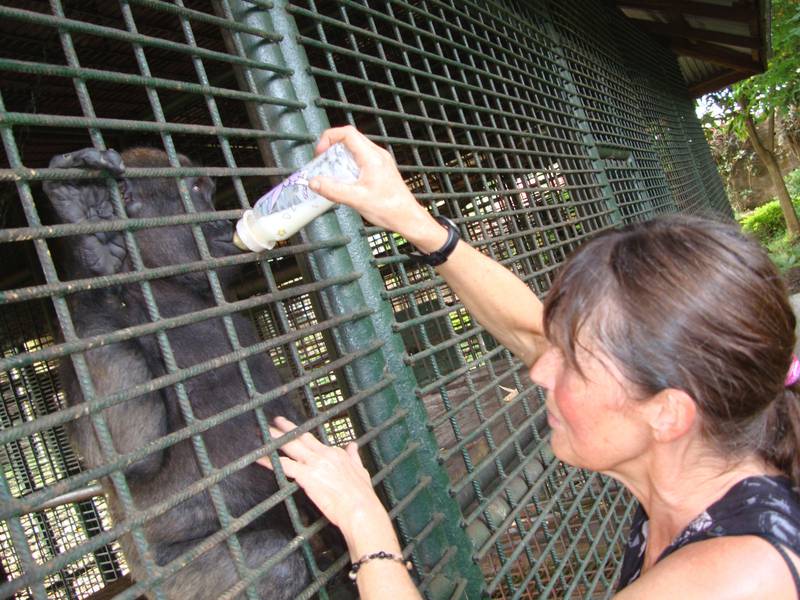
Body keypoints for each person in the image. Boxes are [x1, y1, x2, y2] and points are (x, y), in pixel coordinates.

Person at [259, 126, 800, 599]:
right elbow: (529, 330)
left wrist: (365, 523)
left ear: (668, 414)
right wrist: (410, 217)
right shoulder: (712, 457)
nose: (540, 369)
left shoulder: (736, 580)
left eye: (570, 364)